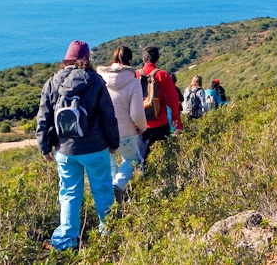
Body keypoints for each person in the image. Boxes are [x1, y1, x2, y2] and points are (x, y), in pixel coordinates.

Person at [36, 40, 119, 251]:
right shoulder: (95, 81)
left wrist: (44, 146)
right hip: (95, 148)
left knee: (69, 193)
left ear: (67, 59)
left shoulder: (52, 82)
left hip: (65, 150)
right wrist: (113, 143)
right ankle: (108, 233)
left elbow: (43, 118)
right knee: (102, 189)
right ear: (87, 58)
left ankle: (66, 240)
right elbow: (108, 116)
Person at [97, 46, 147, 202]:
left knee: (111, 162)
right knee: (132, 159)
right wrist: (142, 127)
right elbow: (136, 113)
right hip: (125, 131)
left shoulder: (100, 79)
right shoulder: (133, 82)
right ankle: (118, 186)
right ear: (130, 61)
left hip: (104, 131)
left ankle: (112, 198)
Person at [135, 46, 182, 162]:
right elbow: (173, 98)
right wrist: (175, 117)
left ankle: (144, 179)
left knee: (143, 159)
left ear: (143, 59)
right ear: (158, 59)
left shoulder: (135, 75)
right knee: (164, 158)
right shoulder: (163, 75)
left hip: (141, 125)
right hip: (161, 123)